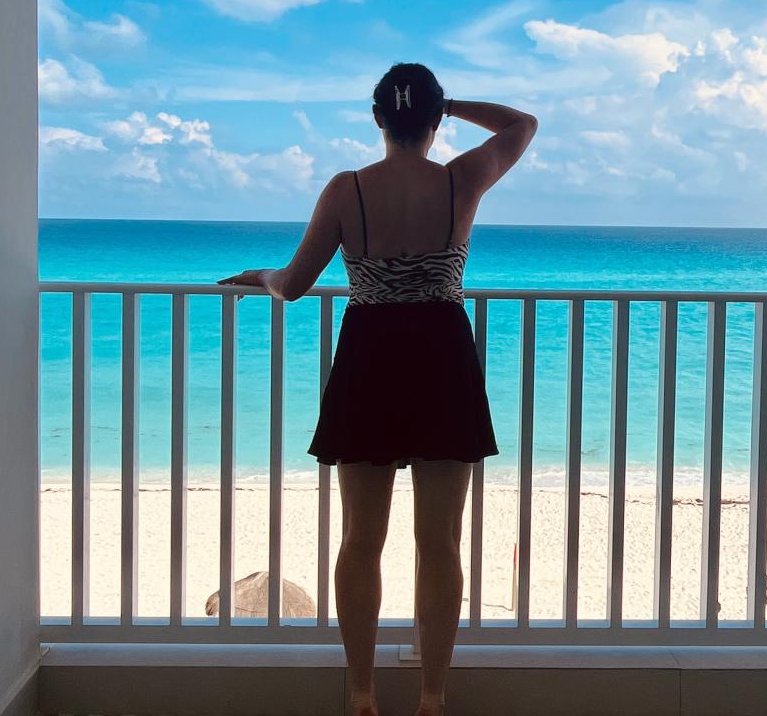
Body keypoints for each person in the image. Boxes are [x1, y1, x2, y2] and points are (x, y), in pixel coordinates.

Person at [218, 62, 537, 716]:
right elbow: (520, 124)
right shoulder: (461, 180)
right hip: (442, 357)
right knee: (440, 542)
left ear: (377, 119)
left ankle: (362, 696)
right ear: (433, 119)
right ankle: (431, 698)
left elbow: (297, 282)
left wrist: (262, 275)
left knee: (361, 539)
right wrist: (453, 105)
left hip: (370, 358)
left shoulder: (348, 189)